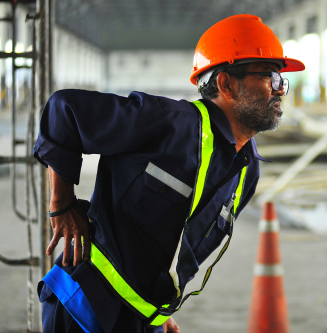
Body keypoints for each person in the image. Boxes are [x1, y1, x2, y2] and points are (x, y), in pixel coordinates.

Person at [34, 14, 305, 333]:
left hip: (144, 320)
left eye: (282, 81)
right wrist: (62, 205)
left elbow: (185, 245)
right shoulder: (169, 123)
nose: (280, 91)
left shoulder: (247, 172)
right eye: (271, 78)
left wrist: (158, 310)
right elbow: (63, 110)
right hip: (85, 304)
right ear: (226, 83)